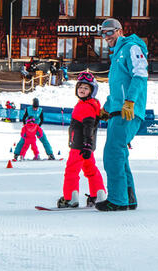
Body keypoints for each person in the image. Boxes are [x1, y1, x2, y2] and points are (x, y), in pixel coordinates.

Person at [95, 18, 148, 211]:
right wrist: (106, 108)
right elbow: (118, 88)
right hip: (118, 110)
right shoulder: (116, 55)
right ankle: (128, 197)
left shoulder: (131, 47)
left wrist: (130, 101)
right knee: (120, 153)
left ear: (119, 30)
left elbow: (141, 74)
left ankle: (117, 200)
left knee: (112, 153)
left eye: (110, 32)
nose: (106, 36)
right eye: (103, 33)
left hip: (128, 110)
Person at [58, 72, 106, 208]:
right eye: (80, 87)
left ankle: (70, 198)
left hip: (80, 146)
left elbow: (88, 126)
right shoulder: (89, 104)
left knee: (71, 170)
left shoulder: (86, 106)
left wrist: (86, 144)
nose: (82, 90)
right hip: (86, 147)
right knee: (90, 170)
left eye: (86, 88)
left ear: (92, 91)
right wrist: (88, 146)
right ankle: (98, 194)